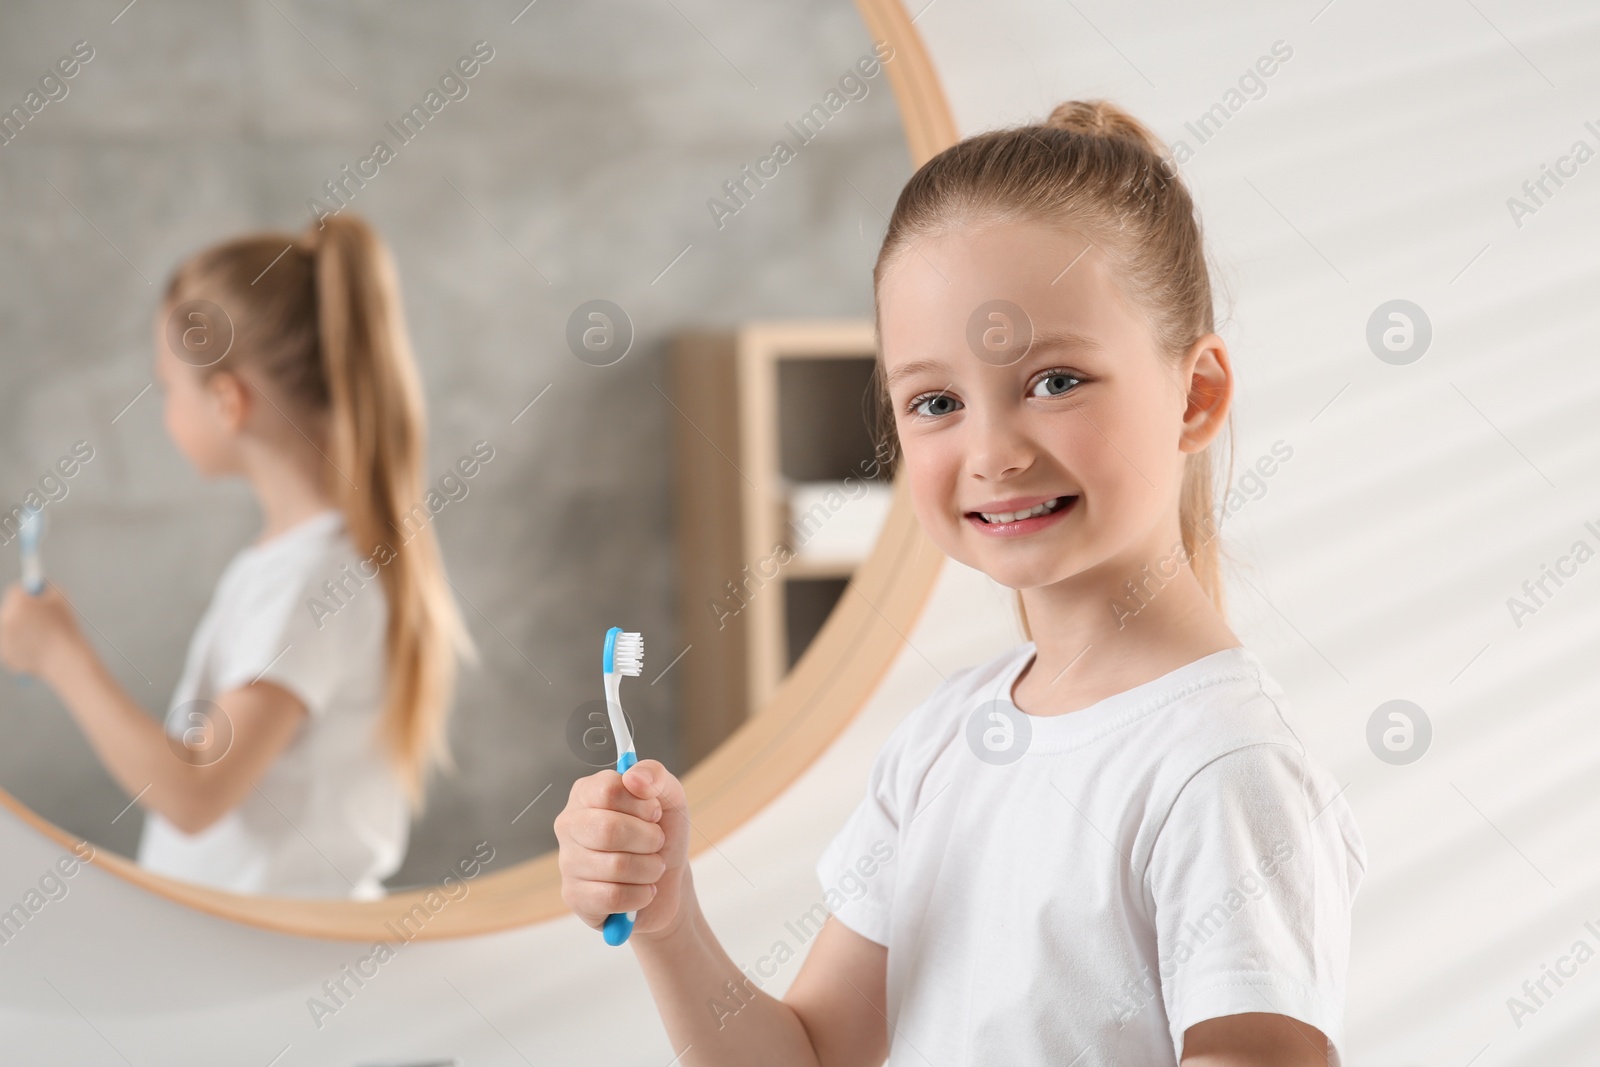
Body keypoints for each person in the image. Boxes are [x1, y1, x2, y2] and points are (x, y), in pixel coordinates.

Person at [554, 99, 1366, 1065]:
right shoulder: (945, 741)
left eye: (1055, 380)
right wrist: (667, 916)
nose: (992, 452)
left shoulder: (1221, 769)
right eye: (935, 401)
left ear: (1195, 395)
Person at [0, 214, 473, 900]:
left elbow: (195, 792)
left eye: (168, 387)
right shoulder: (293, 565)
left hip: (279, 965)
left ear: (227, 400)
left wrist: (62, 656)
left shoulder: (314, 582)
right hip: (263, 958)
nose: (164, 412)